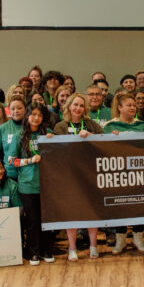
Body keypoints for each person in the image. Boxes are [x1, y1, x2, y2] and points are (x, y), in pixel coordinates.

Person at [51, 93, 101, 260]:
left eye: (81, 105)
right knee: (71, 211)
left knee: (91, 210)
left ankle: (94, 245)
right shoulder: (60, 126)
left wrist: (91, 136)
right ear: (69, 107)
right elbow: (57, 149)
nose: (78, 108)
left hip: (89, 173)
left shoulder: (91, 124)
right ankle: (72, 247)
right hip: (69, 175)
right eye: (75, 105)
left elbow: (104, 141)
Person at [102, 92, 144, 253]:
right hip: (119, 173)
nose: (133, 107)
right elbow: (103, 150)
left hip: (140, 172)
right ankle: (121, 239)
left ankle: (138, 237)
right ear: (119, 108)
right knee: (120, 205)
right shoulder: (110, 127)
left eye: (134, 105)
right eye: (129, 105)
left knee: (141, 204)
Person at [10, 103, 56, 263]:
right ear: (27, 116)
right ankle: (33, 251)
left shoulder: (48, 134)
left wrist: (54, 141)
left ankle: (46, 250)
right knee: (33, 221)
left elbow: (59, 156)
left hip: (47, 184)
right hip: (28, 185)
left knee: (46, 219)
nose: (36, 118)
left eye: (39, 115)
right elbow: (11, 161)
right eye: (33, 114)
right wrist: (29, 160)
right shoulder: (19, 135)